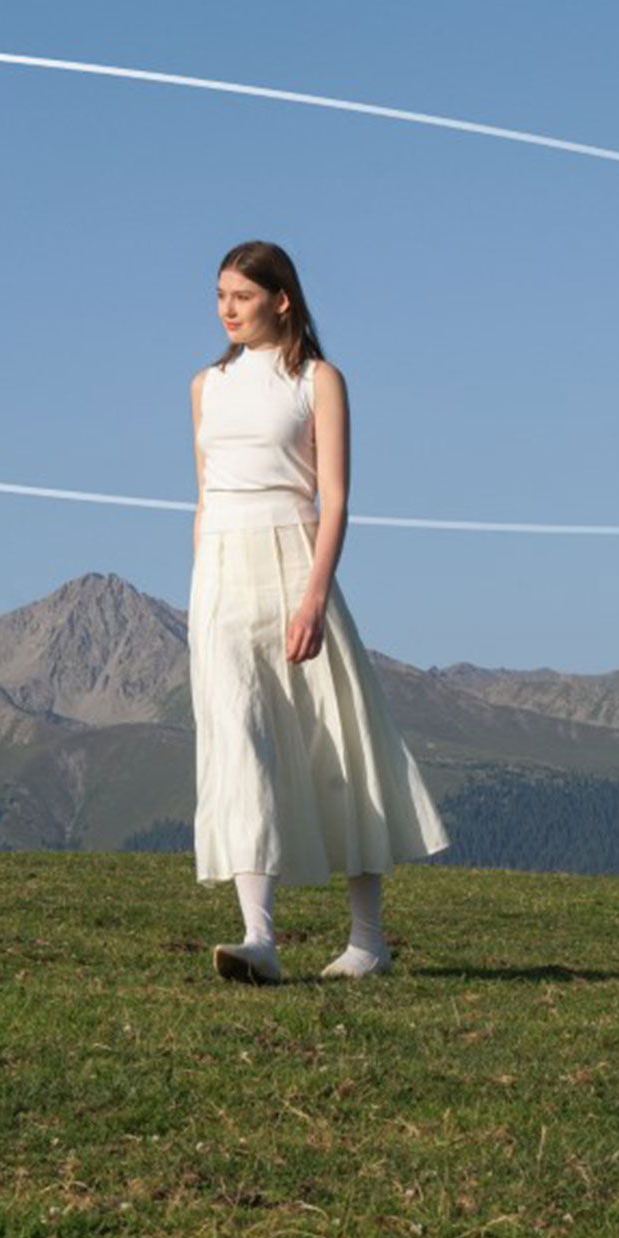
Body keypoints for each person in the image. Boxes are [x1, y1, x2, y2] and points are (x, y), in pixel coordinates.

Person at [189, 239, 448, 983]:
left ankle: (367, 940)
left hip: (297, 561)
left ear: (281, 298)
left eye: (240, 295)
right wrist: (202, 585)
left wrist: (312, 595)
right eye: (219, 296)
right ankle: (258, 938)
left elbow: (334, 498)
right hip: (222, 571)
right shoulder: (206, 385)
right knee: (239, 739)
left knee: (337, 737)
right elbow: (205, 496)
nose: (226, 310)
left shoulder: (317, 380)